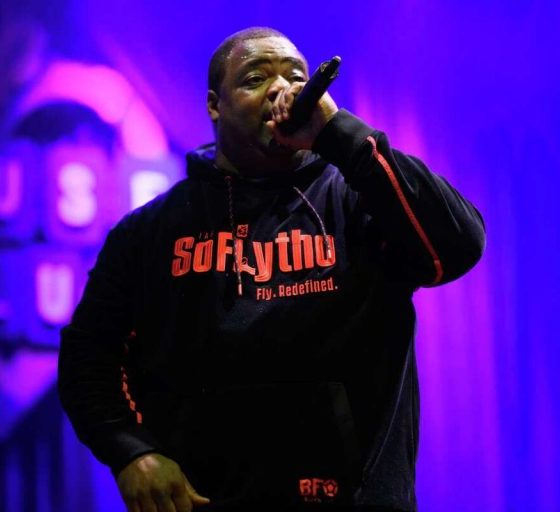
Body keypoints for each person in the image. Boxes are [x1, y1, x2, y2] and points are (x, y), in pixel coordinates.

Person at [58, 27, 486, 512]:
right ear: (215, 105)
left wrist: (339, 135)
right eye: (255, 78)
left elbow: (458, 245)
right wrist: (132, 453)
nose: (282, 90)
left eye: (296, 77)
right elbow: (87, 357)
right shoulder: (151, 231)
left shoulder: (359, 202)